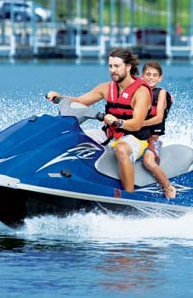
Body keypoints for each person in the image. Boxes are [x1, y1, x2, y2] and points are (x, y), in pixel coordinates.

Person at [46, 48, 152, 194]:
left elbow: (137, 124)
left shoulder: (141, 92)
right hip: (109, 134)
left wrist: (118, 122)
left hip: (135, 137)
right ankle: (66, 178)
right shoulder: (106, 88)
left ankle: (128, 195)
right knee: (75, 139)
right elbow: (80, 101)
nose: (113, 70)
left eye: (117, 66)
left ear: (128, 67)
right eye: (110, 66)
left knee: (121, 149)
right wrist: (60, 97)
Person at [139, 61, 176, 199]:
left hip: (152, 140)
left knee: (148, 161)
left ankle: (168, 187)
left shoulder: (161, 93)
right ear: (142, 76)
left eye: (155, 75)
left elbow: (159, 118)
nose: (151, 77)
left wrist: (138, 123)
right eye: (148, 74)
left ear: (160, 78)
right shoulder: (138, 93)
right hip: (137, 137)